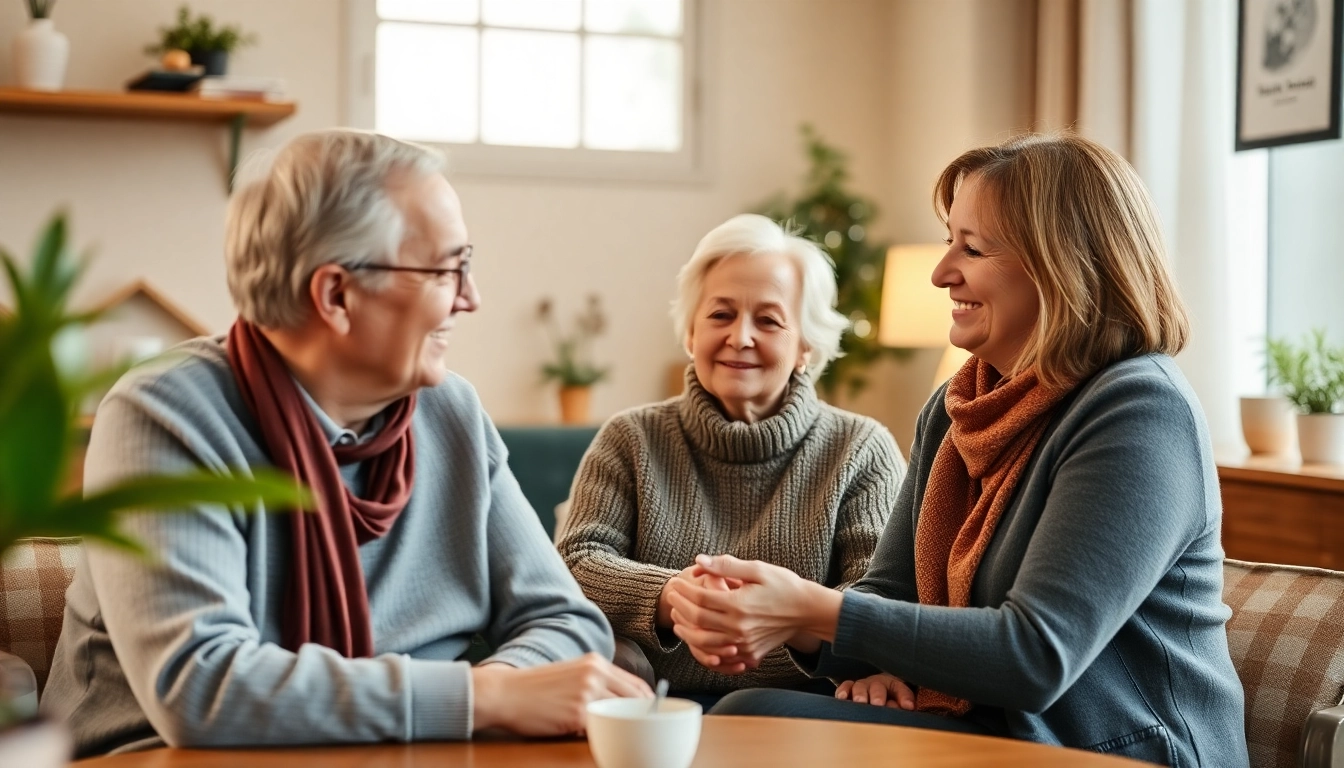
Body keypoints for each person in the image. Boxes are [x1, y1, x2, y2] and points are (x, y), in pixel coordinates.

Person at [41, 129, 648, 758]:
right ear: (336, 295)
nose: (470, 298)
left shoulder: (451, 413)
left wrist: (486, 691)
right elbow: (200, 687)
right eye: (447, 269)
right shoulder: (165, 415)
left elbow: (567, 622)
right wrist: (482, 700)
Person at [664, 134, 1248, 766]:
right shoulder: (958, 405)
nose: (943, 272)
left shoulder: (1138, 410)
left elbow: (1035, 654)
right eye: (950, 242)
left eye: (971, 247)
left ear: (1061, 263)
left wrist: (813, 607)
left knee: (755, 728)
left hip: (1118, 750)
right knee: (747, 718)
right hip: (997, 735)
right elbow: (890, 600)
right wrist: (777, 613)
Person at [555, 213, 905, 706]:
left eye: (768, 320)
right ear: (691, 334)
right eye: (721, 315)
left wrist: (782, 619)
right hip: (645, 704)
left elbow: (884, 598)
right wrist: (675, 595)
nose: (740, 337)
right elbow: (572, 563)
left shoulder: (861, 449)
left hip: (802, 709)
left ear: (805, 344)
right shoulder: (630, 437)